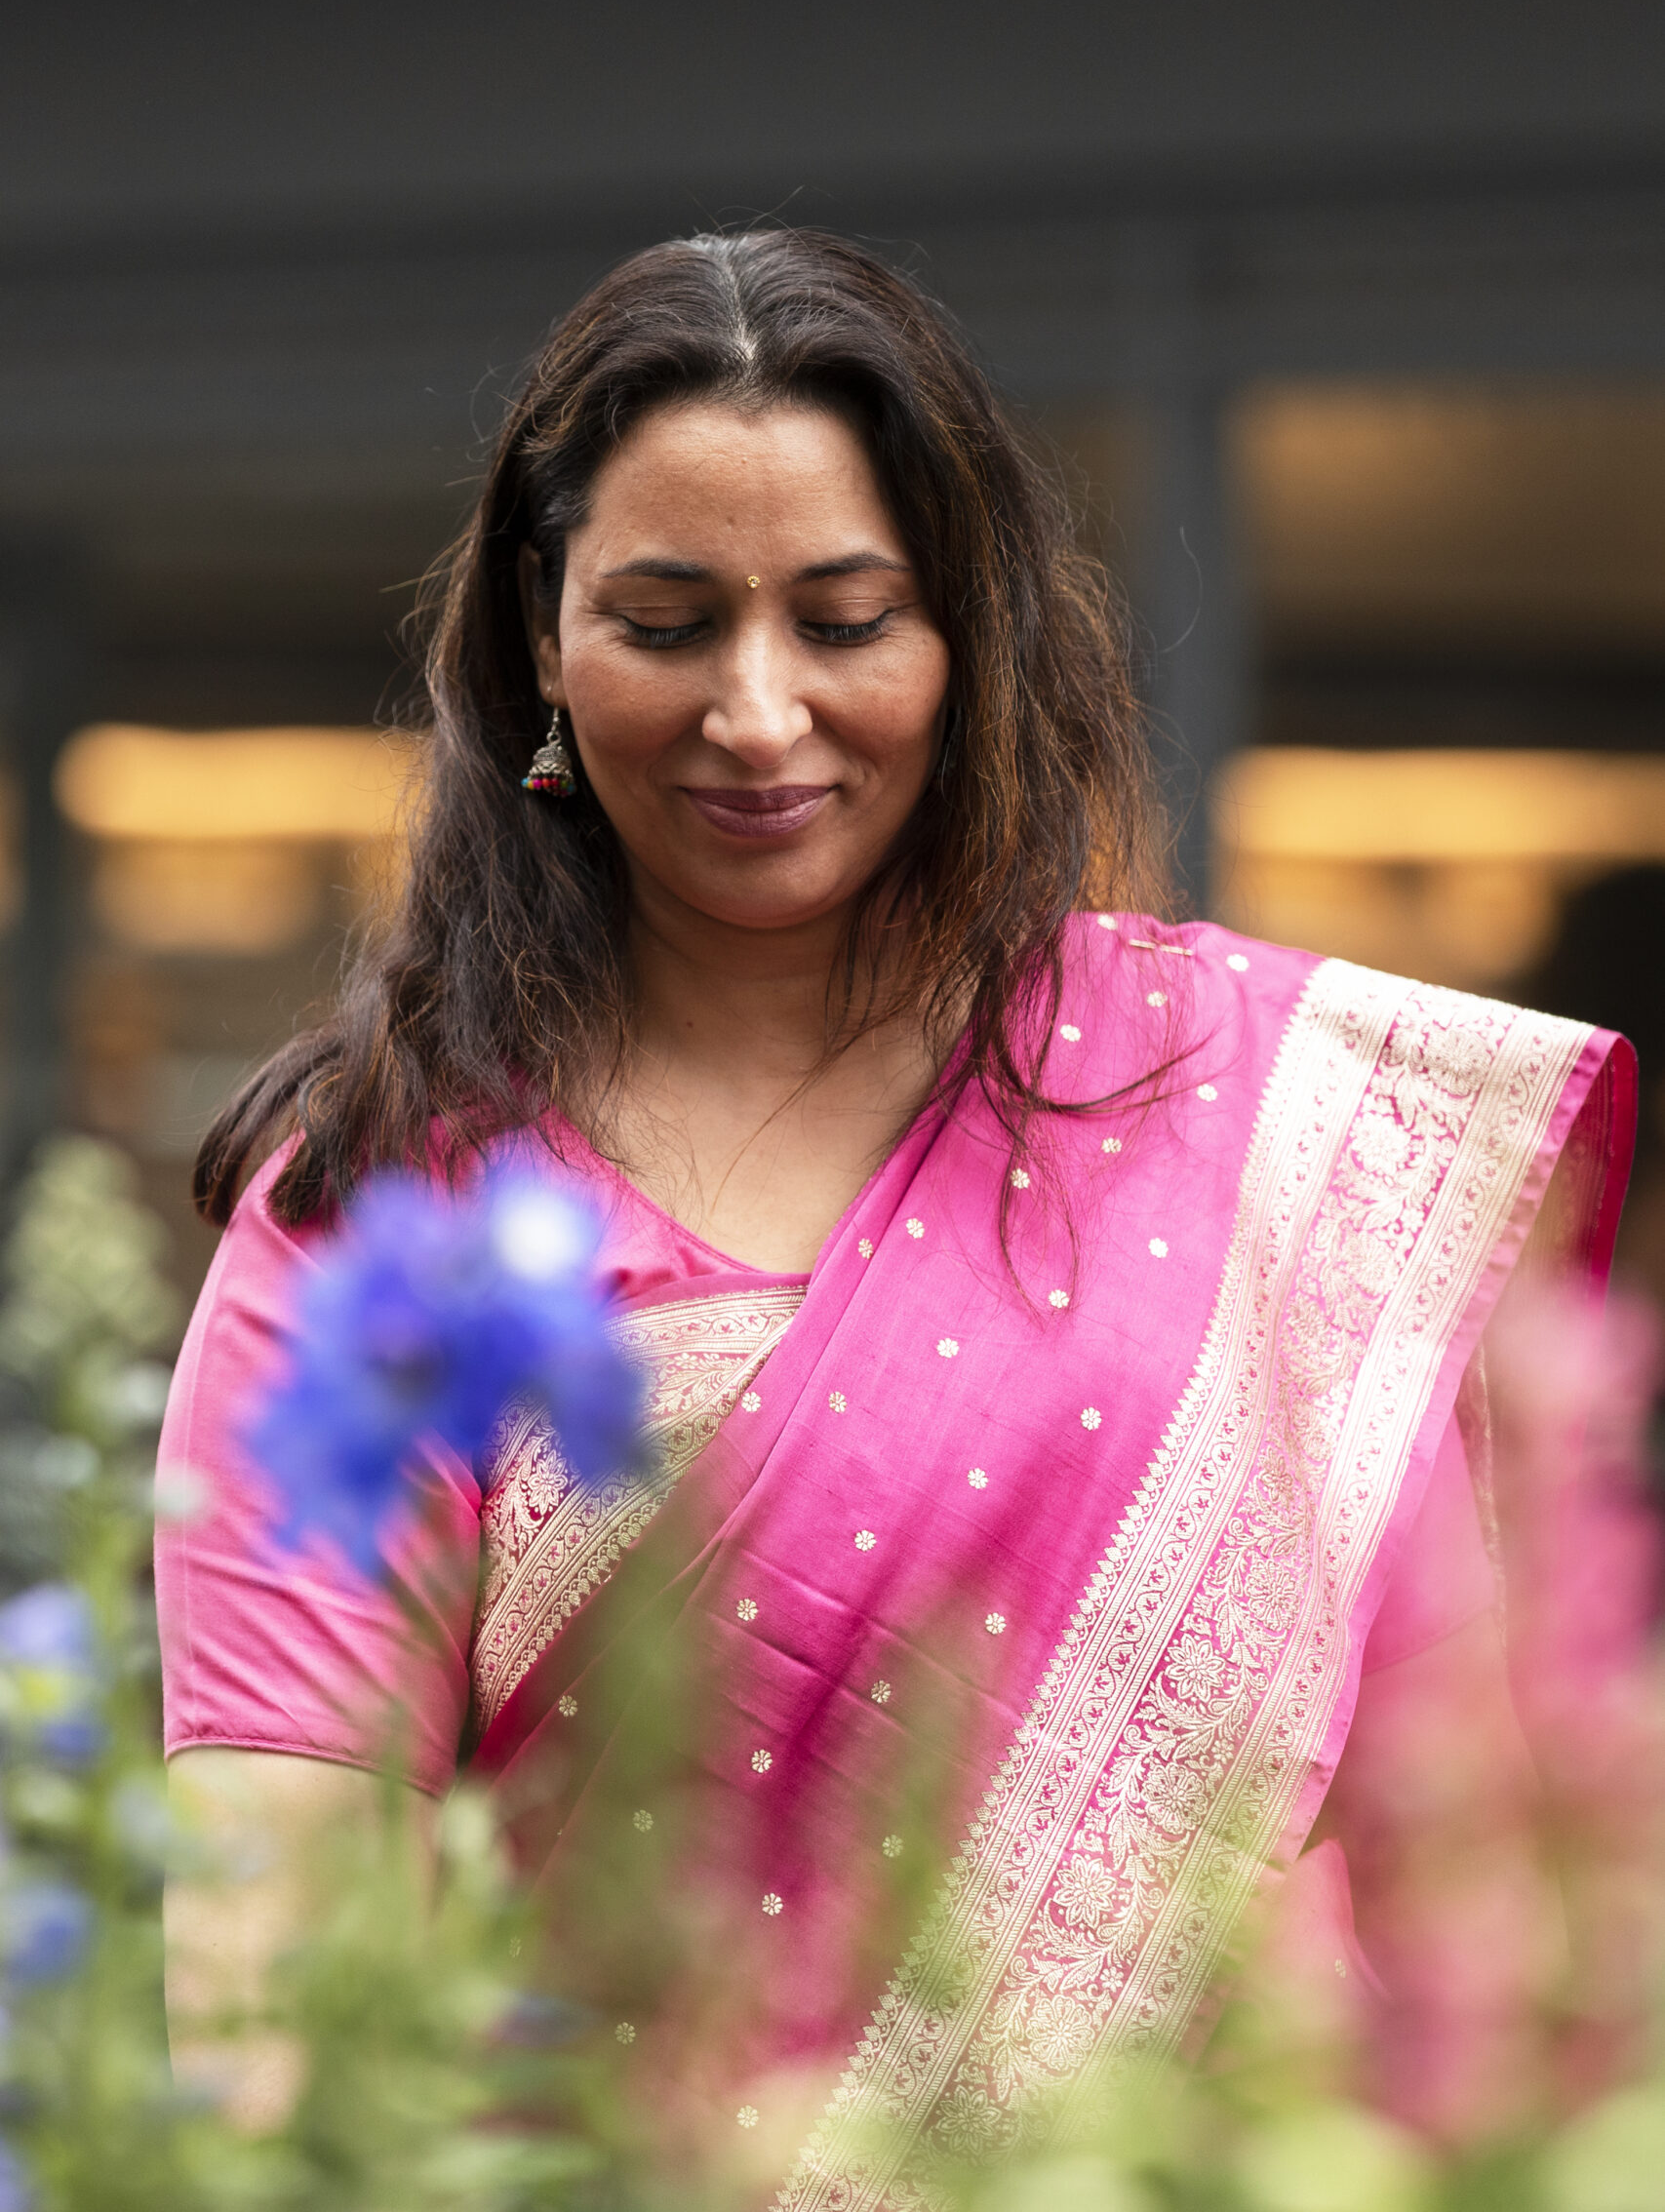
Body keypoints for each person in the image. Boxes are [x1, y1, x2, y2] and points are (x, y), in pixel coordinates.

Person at [155, 231, 1636, 2187]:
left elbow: (1473, 1873)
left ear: (968, 639)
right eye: (666, 623)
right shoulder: (394, 1214)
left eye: (846, 620)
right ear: (541, 635)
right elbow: (270, 1980)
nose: (758, 713)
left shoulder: (1251, 1117)